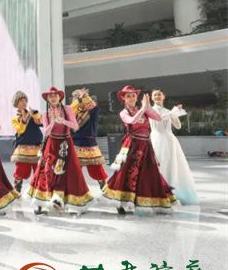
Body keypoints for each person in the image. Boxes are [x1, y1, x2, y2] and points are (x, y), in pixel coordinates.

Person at [103, 85, 176, 214]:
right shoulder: (124, 112)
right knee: (126, 172)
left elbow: (158, 117)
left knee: (149, 172)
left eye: (133, 95)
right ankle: (119, 201)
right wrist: (143, 109)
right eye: (128, 96)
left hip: (146, 145)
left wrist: (147, 108)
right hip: (133, 145)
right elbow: (132, 121)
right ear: (124, 99)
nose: (131, 98)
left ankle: (146, 200)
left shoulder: (142, 109)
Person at [27, 87, 93, 215]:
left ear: (59, 97)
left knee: (72, 172)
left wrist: (62, 120)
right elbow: (46, 132)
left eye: (55, 96)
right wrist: (52, 122)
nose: (53, 98)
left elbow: (75, 126)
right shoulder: (45, 114)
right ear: (47, 99)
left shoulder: (68, 109)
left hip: (66, 144)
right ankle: (41, 203)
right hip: (52, 145)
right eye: (50, 96)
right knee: (46, 172)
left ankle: (74, 204)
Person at [149, 89, 197, 205]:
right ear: (151, 97)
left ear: (163, 96)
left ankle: (171, 193)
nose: (157, 96)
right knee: (158, 165)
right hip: (157, 139)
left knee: (171, 165)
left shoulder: (168, 111)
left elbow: (178, 126)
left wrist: (175, 114)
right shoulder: (150, 110)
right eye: (155, 95)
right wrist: (172, 113)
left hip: (170, 140)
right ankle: (158, 193)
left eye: (159, 94)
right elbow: (159, 118)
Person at [70, 89, 108, 189]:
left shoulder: (92, 112)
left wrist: (85, 96)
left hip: (90, 143)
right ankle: (74, 190)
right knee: (74, 169)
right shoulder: (72, 113)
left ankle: (104, 186)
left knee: (96, 169)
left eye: (81, 98)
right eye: (76, 98)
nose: (80, 100)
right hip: (75, 143)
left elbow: (94, 107)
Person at [10, 91, 43, 194]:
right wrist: (24, 120)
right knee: (20, 170)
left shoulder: (32, 114)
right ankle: (17, 191)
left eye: (25, 100)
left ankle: (39, 192)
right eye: (21, 101)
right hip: (23, 149)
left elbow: (41, 122)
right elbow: (20, 130)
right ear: (16, 103)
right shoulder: (15, 119)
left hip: (36, 147)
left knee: (39, 170)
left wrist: (35, 114)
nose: (24, 102)